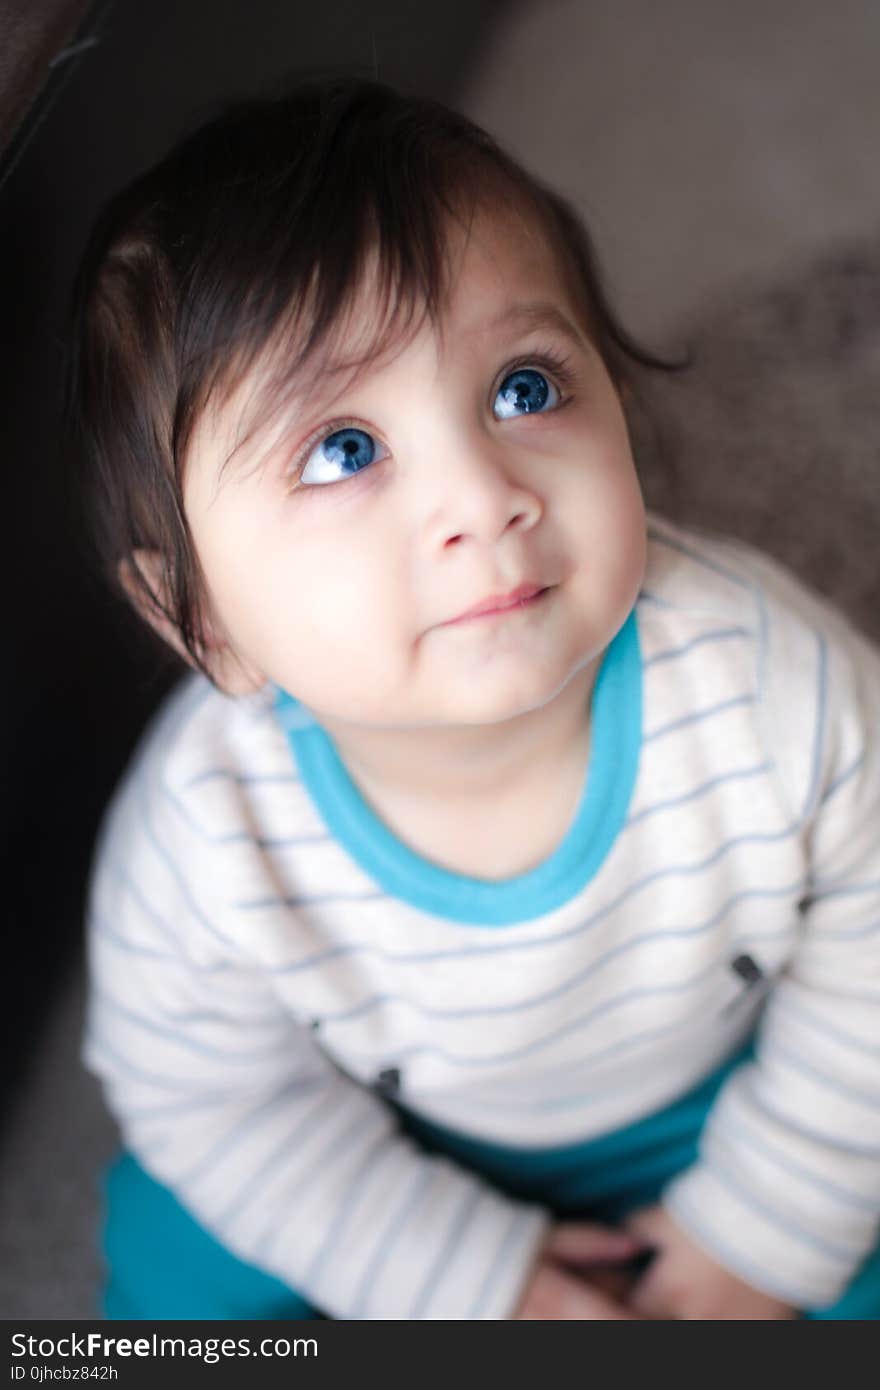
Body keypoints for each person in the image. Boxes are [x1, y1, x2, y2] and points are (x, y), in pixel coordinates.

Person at [68, 76, 880, 1321]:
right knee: (170, 1266)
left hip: (735, 1084)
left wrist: (762, 1226)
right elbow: (208, 1093)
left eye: (524, 389)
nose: (482, 494)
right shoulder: (212, 833)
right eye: (344, 449)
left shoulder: (763, 676)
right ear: (205, 621)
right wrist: (463, 1275)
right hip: (381, 1129)